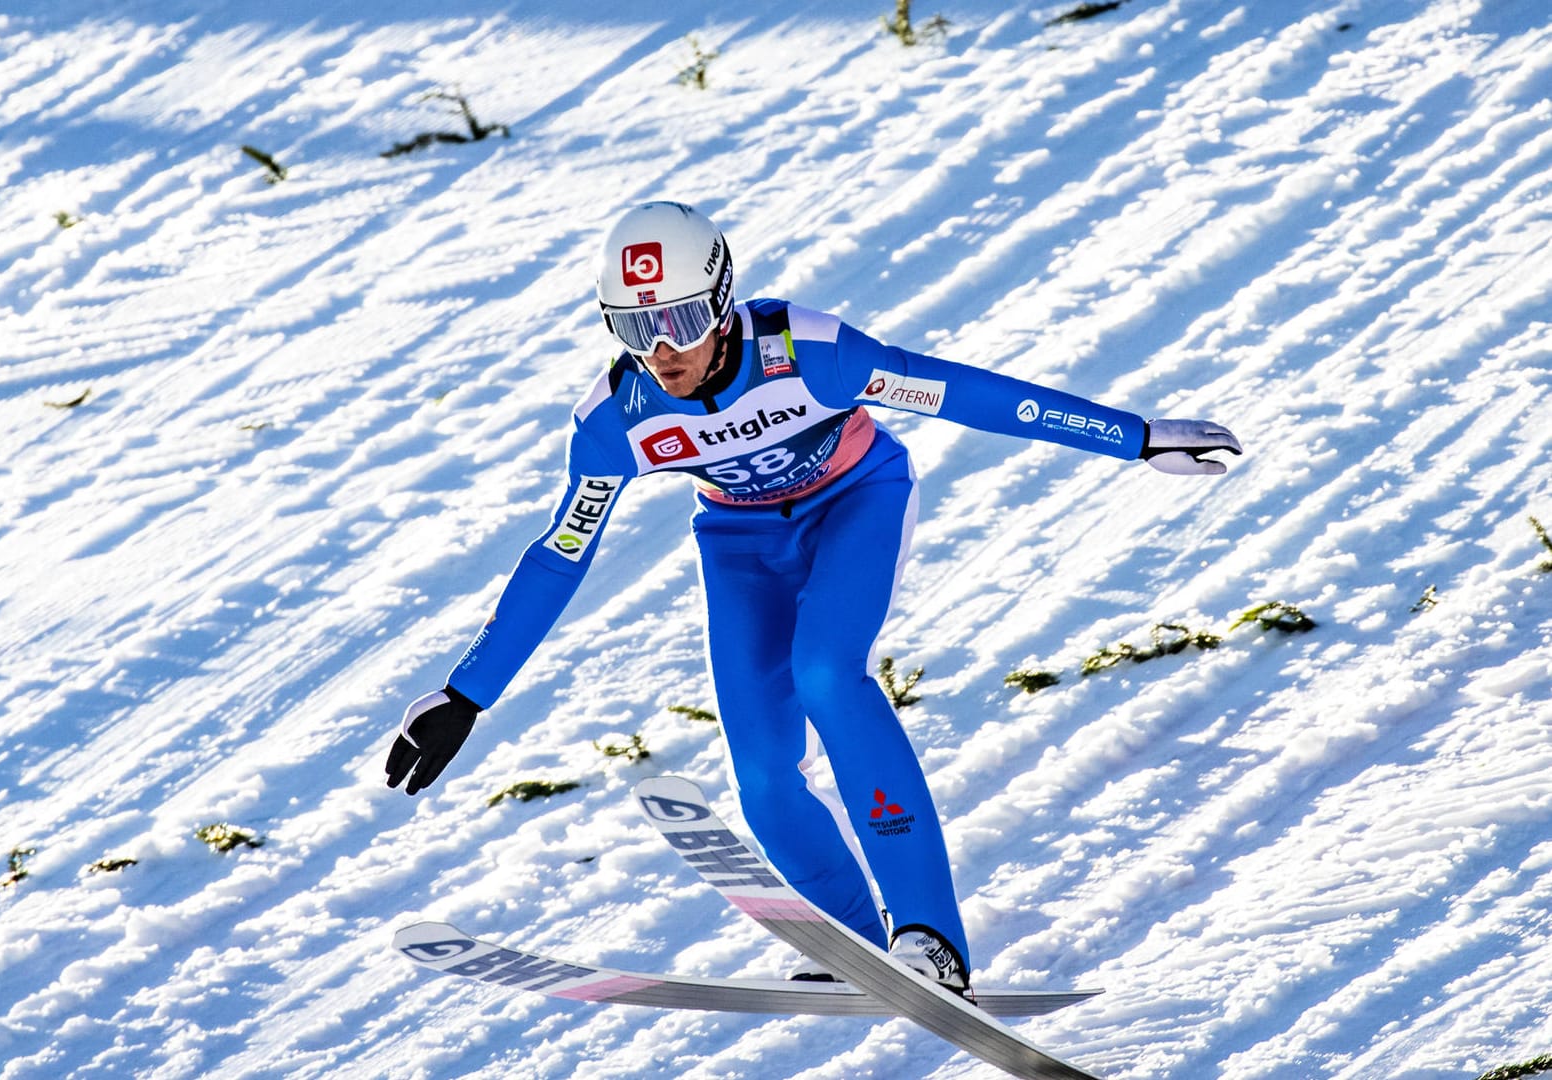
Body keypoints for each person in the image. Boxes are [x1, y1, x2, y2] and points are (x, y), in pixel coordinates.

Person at [385, 201, 1240, 990]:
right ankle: (857, 946)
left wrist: (1134, 438)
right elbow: (561, 554)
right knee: (761, 775)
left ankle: (930, 938)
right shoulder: (618, 417)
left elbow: (970, 395)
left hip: (854, 504)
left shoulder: (810, 351)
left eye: (681, 321)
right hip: (741, 542)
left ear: (723, 304)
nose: (664, 352)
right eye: (636, 328)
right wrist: (468, 693)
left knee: (827, 672)